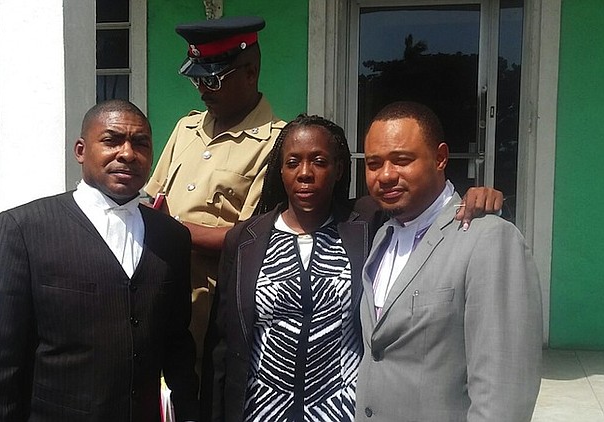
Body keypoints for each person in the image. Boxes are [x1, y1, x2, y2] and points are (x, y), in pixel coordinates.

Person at [0, 100, 199, 421]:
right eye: (111, 140)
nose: (127, 153)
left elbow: (177, 342)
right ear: (80, 150)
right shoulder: (25, 229)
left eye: (140, 143)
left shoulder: (171, 237)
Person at [355, 101, 542, 421]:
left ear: (440, 158)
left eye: (402, 160)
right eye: (374, 163)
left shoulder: (488, 239)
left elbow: (503, 394)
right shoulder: (382, 236)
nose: (385, 175)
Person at [201, 114, 367, 422]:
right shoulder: (244, 240)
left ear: (339, 168)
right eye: (293, 163)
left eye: (319, 161)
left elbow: (422, 207)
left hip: (343, 411)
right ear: (281, 170)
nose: (305, 173)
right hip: (261, 411)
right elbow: (221, 342)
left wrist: (477, 199)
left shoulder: (365, 226)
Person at [143, 16, 285, 368]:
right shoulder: (186, 127)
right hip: (159, 293)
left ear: (250, 74)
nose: (204, 90)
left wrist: (171, 230)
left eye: (213, 79)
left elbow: (251, 238)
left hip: (216, 309)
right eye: (196, 80)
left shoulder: (278, 143)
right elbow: (154, 198)